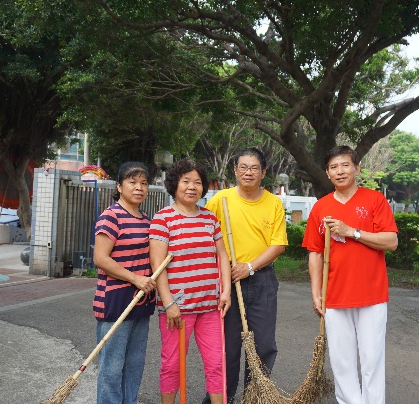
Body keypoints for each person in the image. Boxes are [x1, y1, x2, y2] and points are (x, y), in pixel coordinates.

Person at [302, 145, 398, 404]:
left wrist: (352, 232)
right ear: (327, 172)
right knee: (342, 363)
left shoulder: (375, 200)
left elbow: (391, 241)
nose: (340, 171)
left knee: (371, 360)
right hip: (334, 295)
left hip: (372, 295)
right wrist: (315, 293)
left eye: (345, 165)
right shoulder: (320, 208)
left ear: (357, 168)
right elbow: (315, 253)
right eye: (334, 167)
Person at [202, 147, 288, 404]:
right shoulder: (221, 200)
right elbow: (205, 234)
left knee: (262, 346)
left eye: (254, 168)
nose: (248, 172)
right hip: (227, 281)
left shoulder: (274, 203)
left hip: (262, 280)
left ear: (263, 172)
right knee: (226, 347)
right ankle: (220, 399)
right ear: (235, 171)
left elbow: (278, 244)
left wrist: (249, 266)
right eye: (243, 167)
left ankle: (255, 398)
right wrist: (223, 267)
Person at [149, 159, 232, 404]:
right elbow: (158, 265)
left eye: (197, 182)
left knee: (217, 364)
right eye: (186, 181)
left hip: (210, 306)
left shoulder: (209, 218)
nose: (192, 187)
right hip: (177, 309)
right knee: (172, 364)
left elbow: (222, 255)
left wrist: (225, 292)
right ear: (174, 185)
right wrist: (169, 303)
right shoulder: (163, 219)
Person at [92, 161, 157, 404]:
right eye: (132, 182)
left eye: (143, 183)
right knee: (112, 364)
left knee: (135, 362)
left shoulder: (146, 220)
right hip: (115, 300)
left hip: (141, 301)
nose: (138, 187)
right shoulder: (110, 216)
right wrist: (135, 278)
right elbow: (100, 258)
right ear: (119, 186)